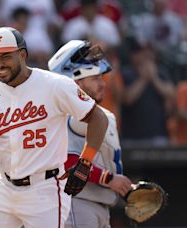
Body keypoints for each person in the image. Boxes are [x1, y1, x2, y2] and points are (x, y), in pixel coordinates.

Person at [0, 27, 108, 228]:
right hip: (4, 185)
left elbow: (98, 118)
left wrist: (85, 162)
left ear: (23, 55)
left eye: (5, 56)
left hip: (45, 189)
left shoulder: (54, 84)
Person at [48, 40, 132, 228]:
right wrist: (109, 179)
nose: (102, 84)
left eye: (101, 78)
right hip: (77, 204)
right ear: (75, 82)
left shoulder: (104, 115)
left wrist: (127, 188)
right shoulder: (68, 114)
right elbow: (66, 162)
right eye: (95, 78)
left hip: (100, 206)